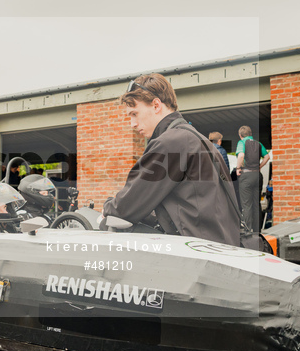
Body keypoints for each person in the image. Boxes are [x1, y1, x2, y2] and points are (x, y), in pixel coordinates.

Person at [101, 73, 240, 246]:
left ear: (156, 105)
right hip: (219, 248)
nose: (132, 123)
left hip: (197, 255)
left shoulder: (171, 142)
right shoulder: (198, 139)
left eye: (134, 113)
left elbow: (125, 207)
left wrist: (106, 208)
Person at [235, 126, 269, 234]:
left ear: (240, 135)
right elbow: (267, 157)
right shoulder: (258, 144)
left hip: (246, 175)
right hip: (257, 175)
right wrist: (260, 166)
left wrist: (238, 168)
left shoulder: (242, 143)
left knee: (246, 204)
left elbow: (241, 156)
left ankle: (247, 230)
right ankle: (257, 231)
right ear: (251, 134)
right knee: (256, 203)